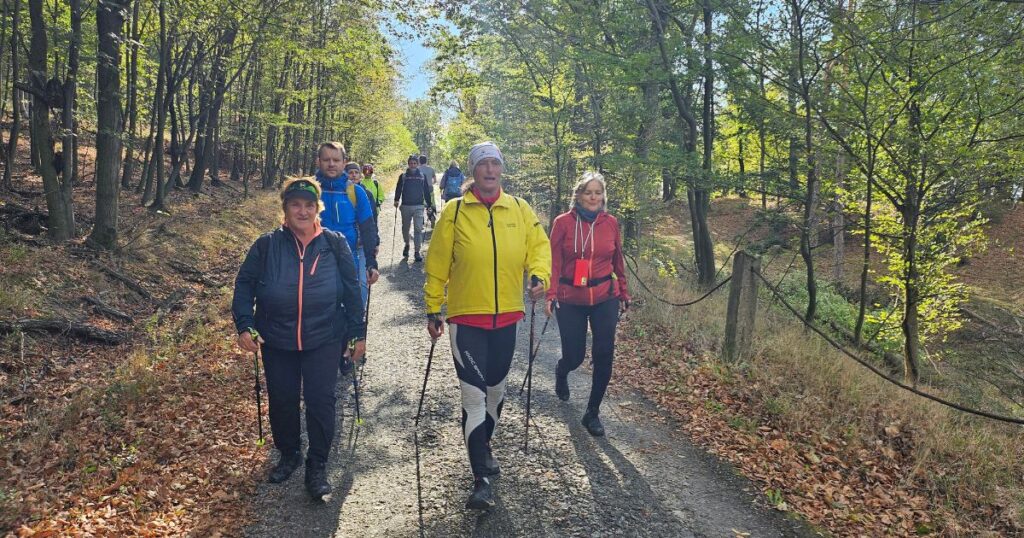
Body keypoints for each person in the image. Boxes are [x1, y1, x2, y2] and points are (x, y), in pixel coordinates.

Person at [424, 141, 551, 510]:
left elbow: (538, 247)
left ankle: (483, 444)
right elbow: (437, 262)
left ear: (502, 170)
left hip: (508, 316)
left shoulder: (520, 209)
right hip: (467, 319)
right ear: (473, 172)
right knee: (474, 395)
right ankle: (480, 478)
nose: (490, 170)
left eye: (495, 164)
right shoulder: (455, 212)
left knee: (496, 392)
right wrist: (433, 307)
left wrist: (539, 274)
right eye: (483, 165)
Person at [232, 177, 366, 500]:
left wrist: (357, 334)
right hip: (276, 339)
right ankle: (289, 453)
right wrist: (244, 325)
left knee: (321, 400)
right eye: (296, 205)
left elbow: (352, 290)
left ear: (317, 208)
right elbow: (244, 285)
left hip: (325, 337)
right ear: (285, 208)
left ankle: (317, 465)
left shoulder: (335, 244)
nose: (302, 211)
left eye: (309, 205)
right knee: (282, 400)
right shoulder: (266, 245)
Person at [545, 172, 631, 437]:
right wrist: (551, 293)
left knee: (604, 353)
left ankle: (592, 412)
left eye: (598, 192)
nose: (593, 197)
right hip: (571, 297)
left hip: (605, 295)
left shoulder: (611, 223)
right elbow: (554, 260)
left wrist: (624, 292)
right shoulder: (563, 223)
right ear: (579, 195)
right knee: (576, 355)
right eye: (588, 192)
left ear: (603, 196)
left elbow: (618, 259)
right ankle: (562, 369)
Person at [313, 143, 379, 375]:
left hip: (349, 259)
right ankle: (322, 352)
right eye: (326, 159)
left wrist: (371, 262)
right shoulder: (310, 190)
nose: (331, 164)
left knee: (354, 303)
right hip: (314, 262)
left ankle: (349, 348)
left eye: (336, 160)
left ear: (344, 162)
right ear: (318, 161)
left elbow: (368, 227)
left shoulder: (355, 192)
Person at [394, 154, 433, 262]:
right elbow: (398, 189)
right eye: (411, 163)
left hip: (419, 206)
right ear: (408, 164)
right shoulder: (403, 176)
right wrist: (396, 200)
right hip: (406, 205)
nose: (413, 165)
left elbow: (426, 191)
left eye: (415, 163)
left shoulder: (422, 176)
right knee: (405, 229)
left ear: (417, 164)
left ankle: (417, 251)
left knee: (418, 229)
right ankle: (407, 244)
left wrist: (429, 205)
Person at [419, 154, 438, 228]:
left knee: (420, 205)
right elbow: (435, 180)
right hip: (430, 189)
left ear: (419, 161)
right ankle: (432, 217)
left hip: (420, 189)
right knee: (430, 205)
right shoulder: (431, 169)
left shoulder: (417, 169)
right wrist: (430, 183)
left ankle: (421, 222)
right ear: (426, 161)